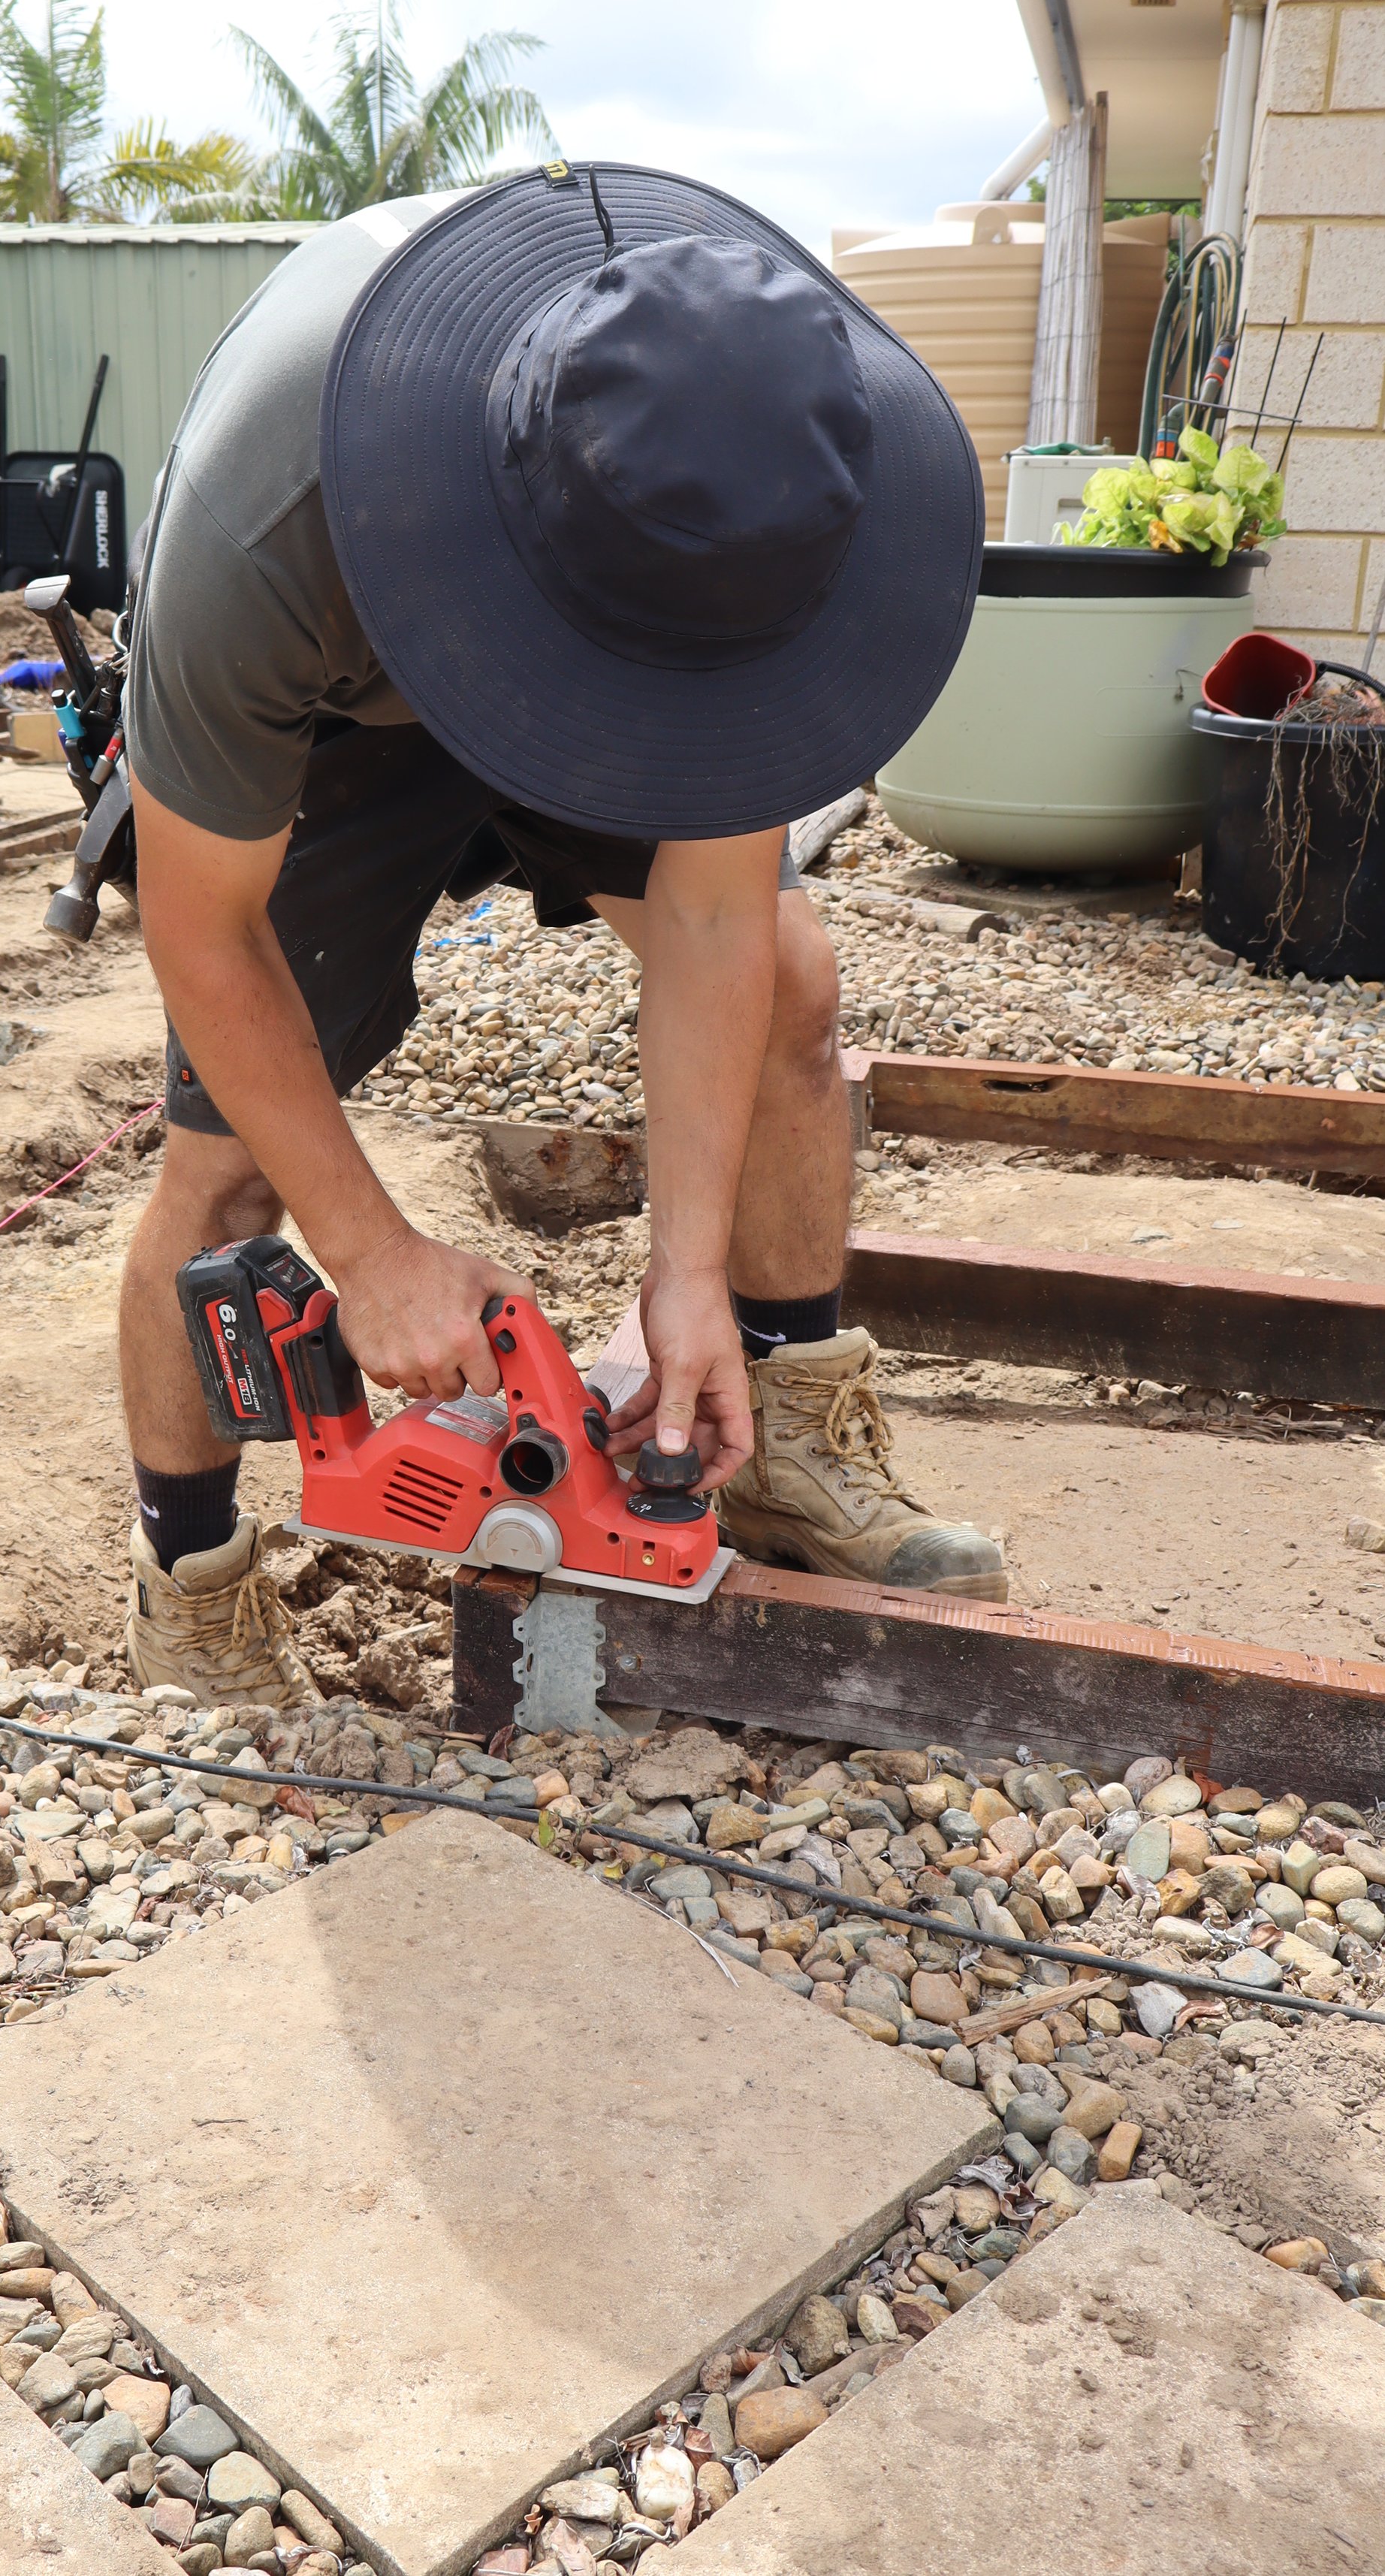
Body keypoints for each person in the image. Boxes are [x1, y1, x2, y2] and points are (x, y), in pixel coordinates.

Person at [116, 162, 1006, 1706]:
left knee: (793, 984)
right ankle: (187, 1581)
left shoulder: (764, 497)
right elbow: (206, 943)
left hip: (630, 636)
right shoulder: (265, 515)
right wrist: (370, 1251)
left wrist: (687, 1276)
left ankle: (777, 1436)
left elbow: (717, 912)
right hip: (336, 707)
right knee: (226, 1166)